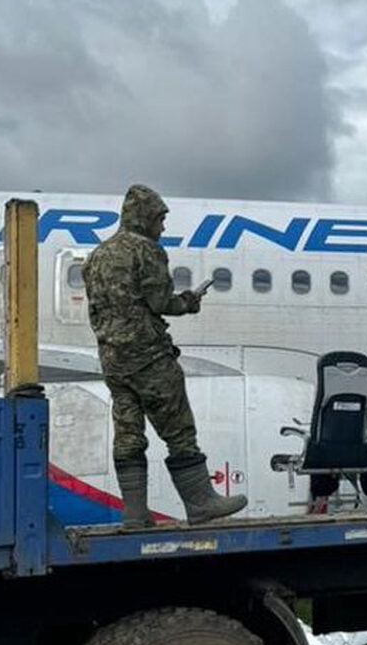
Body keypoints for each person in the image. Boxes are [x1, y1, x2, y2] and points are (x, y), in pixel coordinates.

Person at [84, 184, 247, 528]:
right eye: (160, 219)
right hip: (148, 357)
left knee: (128, 432)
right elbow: (160, 303)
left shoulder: (97, 255)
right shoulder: (147, 250)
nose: (162, 227)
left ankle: (135, 514)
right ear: (145, 219)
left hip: (113, 359)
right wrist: (188, 302)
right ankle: (201, 504)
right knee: (179, 431)